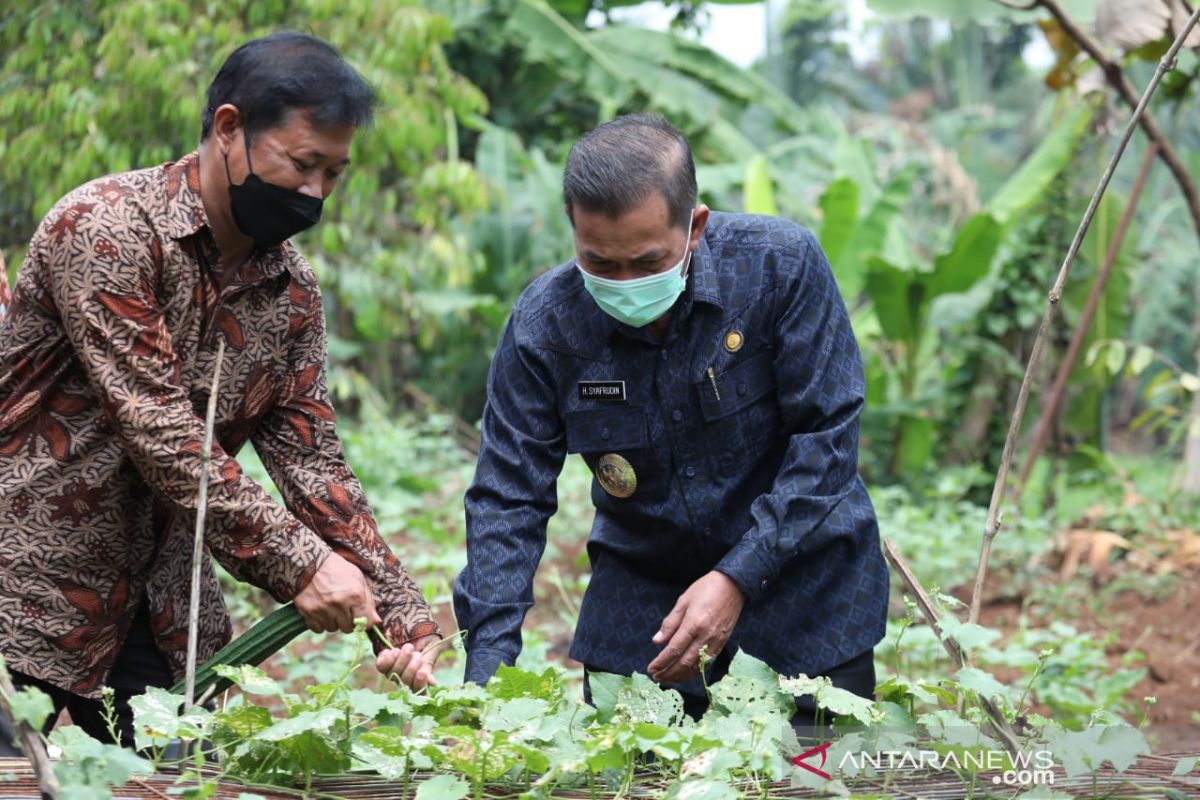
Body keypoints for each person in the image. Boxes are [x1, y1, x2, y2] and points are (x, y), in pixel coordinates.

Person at [0, 32, 438, 753]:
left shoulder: (290, 292)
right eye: (302, 164)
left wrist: (402, 615)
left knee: (181, 778)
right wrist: (303, 564)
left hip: (164, 605)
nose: (315, 192)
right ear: (229, 130)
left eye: (335, 173)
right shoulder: (108, 229)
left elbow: (315, 463)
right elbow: (163, 436)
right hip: (28, 587)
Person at [453, 113, 889, 727]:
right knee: (632, 777)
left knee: (809, 780)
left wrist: (737, 576)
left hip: (804, 591)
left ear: (696, 226)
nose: (626, 283)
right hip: (645, 604)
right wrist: (487, 676)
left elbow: (827, 440)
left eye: (648, 261)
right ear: (574, 231)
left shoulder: (779, 268)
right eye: (600, 264)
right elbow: (507, 496)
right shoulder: (544, 326)